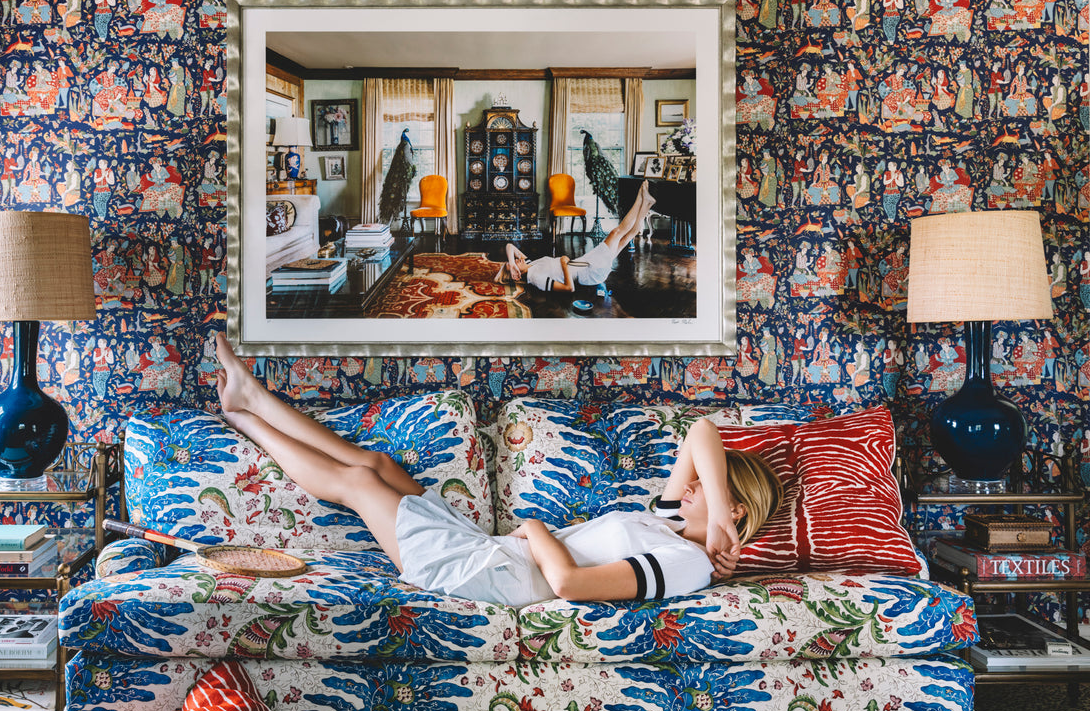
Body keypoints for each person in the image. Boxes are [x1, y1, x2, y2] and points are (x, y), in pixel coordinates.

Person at [212, 333, 782, 606]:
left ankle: (246, 414)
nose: (688, 490)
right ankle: (257, 400)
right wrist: (723, 522)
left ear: (734, 505)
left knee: (360, 485)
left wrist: (533, 531)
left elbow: (570, 586)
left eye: (706, 488)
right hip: (490, 551)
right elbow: (701, 433)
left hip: (486, 575)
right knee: (379, 465)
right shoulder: (670, 528)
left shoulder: (687, 564)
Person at [494, 180, 656, 293]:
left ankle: (646, 203)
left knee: (625, 238)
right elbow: (569, 288)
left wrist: (510, 263)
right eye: (514, 264)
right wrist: (564, 265)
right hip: (590, 271)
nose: (516, 260)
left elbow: (510, 246)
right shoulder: (535, 277)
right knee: (616, 233)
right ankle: (640, 198)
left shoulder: (530, 265)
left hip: (585, 262)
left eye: (513, 261)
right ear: (516, 275)